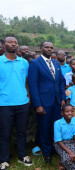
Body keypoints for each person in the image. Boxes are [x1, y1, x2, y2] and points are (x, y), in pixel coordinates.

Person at [28, 41, 66, 163]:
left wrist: (63, 99)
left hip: (56, 102)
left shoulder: (56, 63)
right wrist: (38, 104)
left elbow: (60, 82)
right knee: (44, 129)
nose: (49, 49)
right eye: (46, 47)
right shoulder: (35, 63)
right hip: (43, 103)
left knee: (55, 128)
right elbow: (32, 86)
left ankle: (55, 150)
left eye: (51, 48)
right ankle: (47, 153)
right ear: (41, 48)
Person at [0, 37, 32, 169]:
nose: (13, 44)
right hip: (4, 104)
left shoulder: (24, 62)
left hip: (22, 103)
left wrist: (28, 99)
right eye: (10, 42)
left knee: (21, 131)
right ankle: (4, 160)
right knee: (4, 133)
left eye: (15, 42)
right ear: (4, 45)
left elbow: (26, 83)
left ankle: (22, 156)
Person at [54, 104, 75, 170]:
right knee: (68, 158)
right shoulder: (57, 123)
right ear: (62, 113)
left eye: (71, 111)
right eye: (67, 111)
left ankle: (67, 166)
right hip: (61, 143)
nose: (70, 113)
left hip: (71, 142)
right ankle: (63, 163)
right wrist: (70, 152)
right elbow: (58, 141)